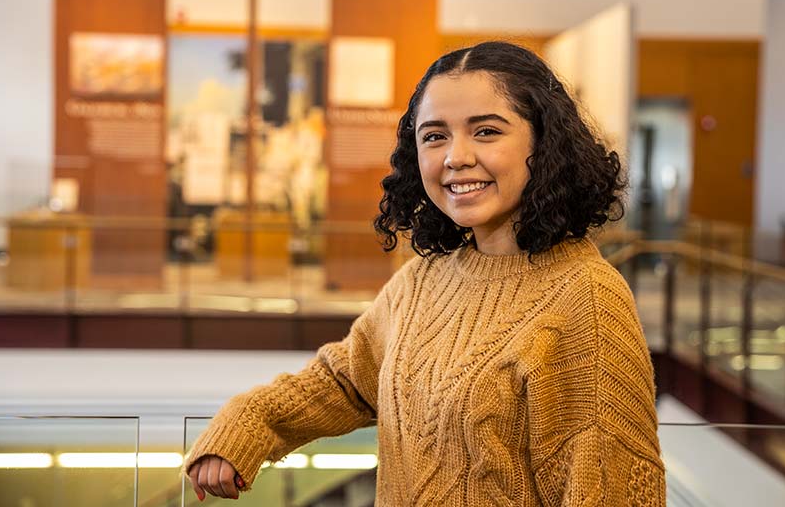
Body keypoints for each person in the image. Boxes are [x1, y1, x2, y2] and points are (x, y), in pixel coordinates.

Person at [185, 41, 666, 505]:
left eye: (486, 131)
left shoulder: (588, 301)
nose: (456, 157)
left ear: (544, 144)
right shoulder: (424, 279)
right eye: (434, 136)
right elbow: (347, 380)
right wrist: (249, 422)